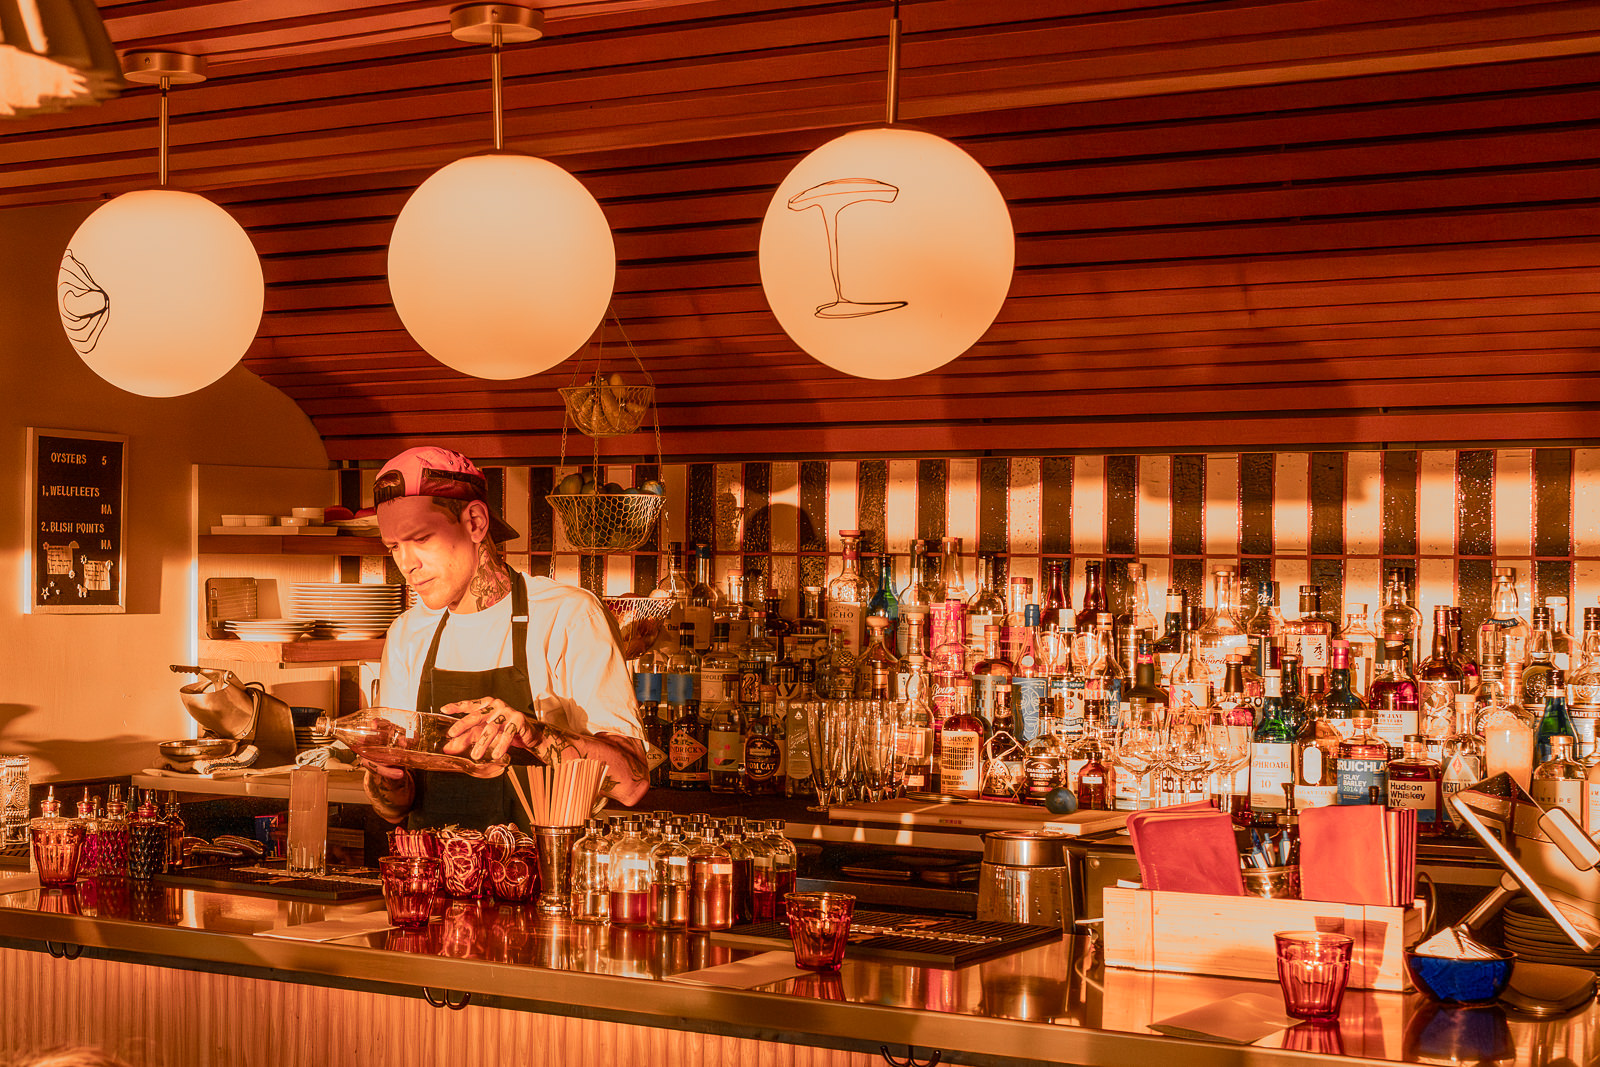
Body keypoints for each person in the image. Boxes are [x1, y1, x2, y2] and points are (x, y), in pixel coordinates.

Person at [360, 446, 649, 828]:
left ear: (475, 522)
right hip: (436, 878)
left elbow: (632, 783)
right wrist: (386, 774)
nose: (406, 564)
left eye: (422, 539)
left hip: (545, 877)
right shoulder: (408, 633)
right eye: (395, 547)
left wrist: (533, 734)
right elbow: (395, 810)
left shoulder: (567, 616)